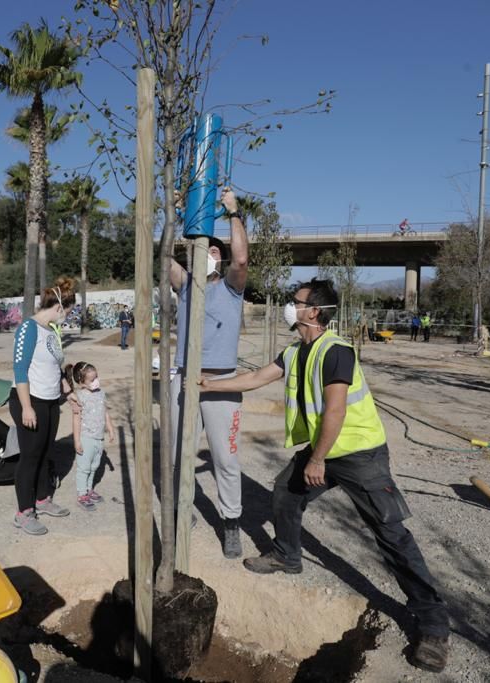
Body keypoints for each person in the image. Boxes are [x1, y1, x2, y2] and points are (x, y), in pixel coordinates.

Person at [200, 278, 451, 673]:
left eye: (295, 302)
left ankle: (434, 625)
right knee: (285, 491)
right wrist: (209, 384)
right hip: (324, 449)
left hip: (357, 453)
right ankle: (286, 554)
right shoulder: (297, 350)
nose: (289, 306)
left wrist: (317, 460)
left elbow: (335, 410)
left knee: (390, 533)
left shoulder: (336, 351)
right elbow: (254, 378)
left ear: (313, 311)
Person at [170, 187, 248, 559]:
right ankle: (183, 509)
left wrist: (233, 211)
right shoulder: (185, 286)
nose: (208, 255)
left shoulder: (232, 288)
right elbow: (162, 258)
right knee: (177, 453)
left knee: (224, 458)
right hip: (184, 377)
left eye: (214, 251)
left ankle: (231, 522)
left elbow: (243, 260)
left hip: (222, 382)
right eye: (204, 250)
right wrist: (174, 212)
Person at [9, 277, 79, 536]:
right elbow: (19, 368)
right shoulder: (29, 328)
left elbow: (55, 368)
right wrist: (26, 407)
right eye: (69, 312)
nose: (68, 317)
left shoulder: (52, 331)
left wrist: (68, 392)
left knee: (46, 452)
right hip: (30, 401)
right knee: (30, 456)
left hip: (50, 401)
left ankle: (42, 499)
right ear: (60, 307)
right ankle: (24, 512)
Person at [66, 361, 116, 511]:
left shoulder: (101, 393)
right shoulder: (79, 397)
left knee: (94, 465)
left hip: (99, 437)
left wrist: (111, 428)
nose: (96, 381)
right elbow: (76, 420)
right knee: (84, 468)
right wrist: (77, 441)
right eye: (92, 379)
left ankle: (89, 490)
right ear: (82, 381)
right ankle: (82, 494)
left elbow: (104, 411)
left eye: (96, 377)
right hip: (86, 438)